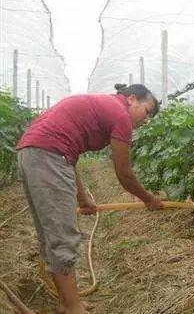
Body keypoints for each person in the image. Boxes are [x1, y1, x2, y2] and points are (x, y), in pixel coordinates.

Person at [16, 83, 164, 314]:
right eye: (147, 112)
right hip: (47, 155)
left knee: (52, 233)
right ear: (132, 99)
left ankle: (67, 302)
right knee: (61, 235)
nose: (146, 120)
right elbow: (124, 173)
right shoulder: (120, 115)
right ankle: (73, 307)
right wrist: (149, 199)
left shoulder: (104, 106)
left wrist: (83, 198)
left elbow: (68, 156)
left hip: (36, 152)